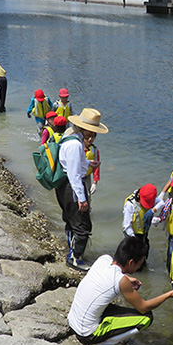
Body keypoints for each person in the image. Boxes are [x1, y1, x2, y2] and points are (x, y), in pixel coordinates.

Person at [67, 237, 173, 345]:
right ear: (131, 262)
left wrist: (127, 279)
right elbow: (143, 307)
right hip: (86, 333)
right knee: (146, 318)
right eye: (140, 263)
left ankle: (102, 337)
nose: (140, 266)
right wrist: (169, 294)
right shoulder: (120, 280)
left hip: (73, 319)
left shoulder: (104, 259)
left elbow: (106, 278)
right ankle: (103, 343)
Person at [58, 108, 107, 271]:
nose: (93, 135)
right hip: (70, 187)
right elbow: (74, 175)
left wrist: (87, 164)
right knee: (83, 226)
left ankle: (71, 250)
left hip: (63, 185)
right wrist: (82, 198)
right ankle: (75, 258)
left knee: (71, 220)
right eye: (92, 131)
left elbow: (72, 163)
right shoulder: (75, 145)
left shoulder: (70, 135)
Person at [121, 183, 158, 269]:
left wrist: (154, 220)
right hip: (132, 234)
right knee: (134, 257)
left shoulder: (150, 198)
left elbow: (161, 204)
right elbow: (127, 225)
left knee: (145, 250)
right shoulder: (130, 205)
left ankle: (143, 268)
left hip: (143, 233)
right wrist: (134, 241)